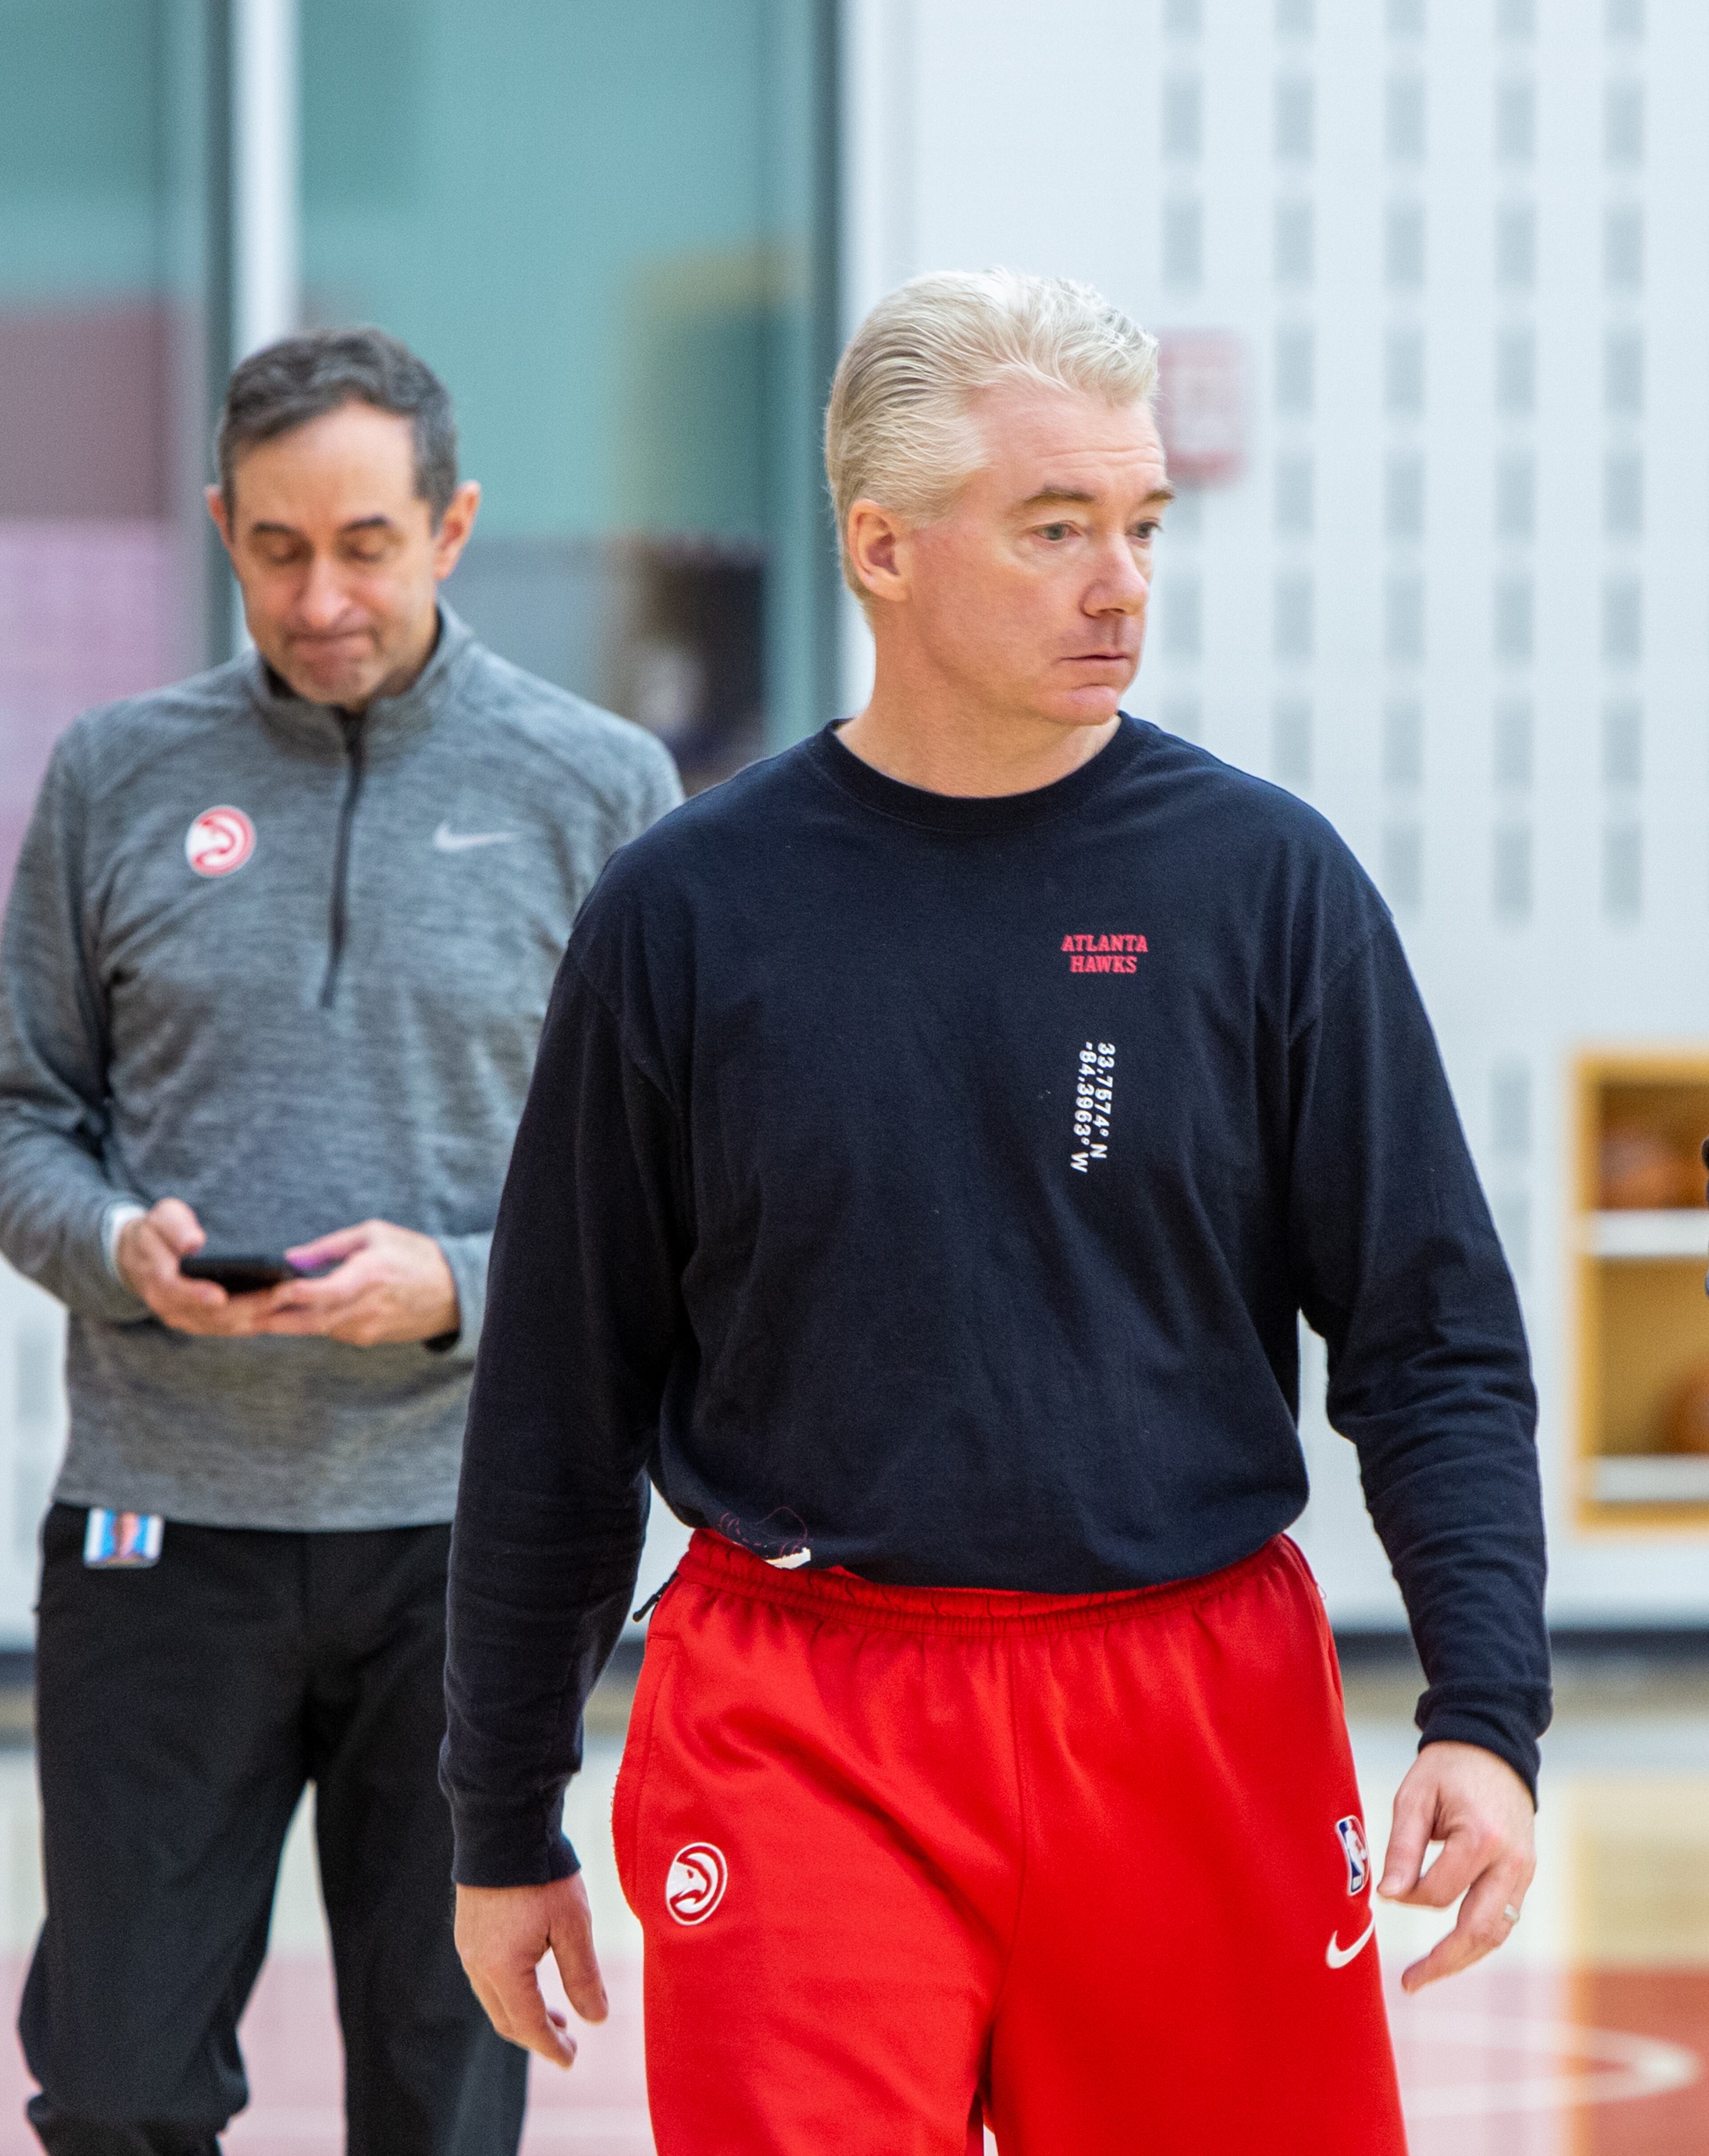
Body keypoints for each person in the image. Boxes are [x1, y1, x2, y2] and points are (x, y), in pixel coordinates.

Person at [443, 272, 1551, 2155]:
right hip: (802, 1717)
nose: (1121, 580)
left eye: (1140, 524)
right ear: (883, 544)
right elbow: (562, 1389)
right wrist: (503, 1811)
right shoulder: (688, 912)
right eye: (1056, 529)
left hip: (1195, 1702)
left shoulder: (1266, 886)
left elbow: (1429, 1339)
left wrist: (1489, 1709)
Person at [0, 326, 681, 2156]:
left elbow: (669, 1198)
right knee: (119, 2084)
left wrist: (460, 1280)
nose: (322, 596)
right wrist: (114, 1241)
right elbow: (18, 1118)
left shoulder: (599, 790)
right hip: (162, 1532)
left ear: (453, 526)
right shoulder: (113, 777)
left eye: (367, 543)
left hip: (473, 1547)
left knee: (444, 2099)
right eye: (278, 547)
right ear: (223, 527)